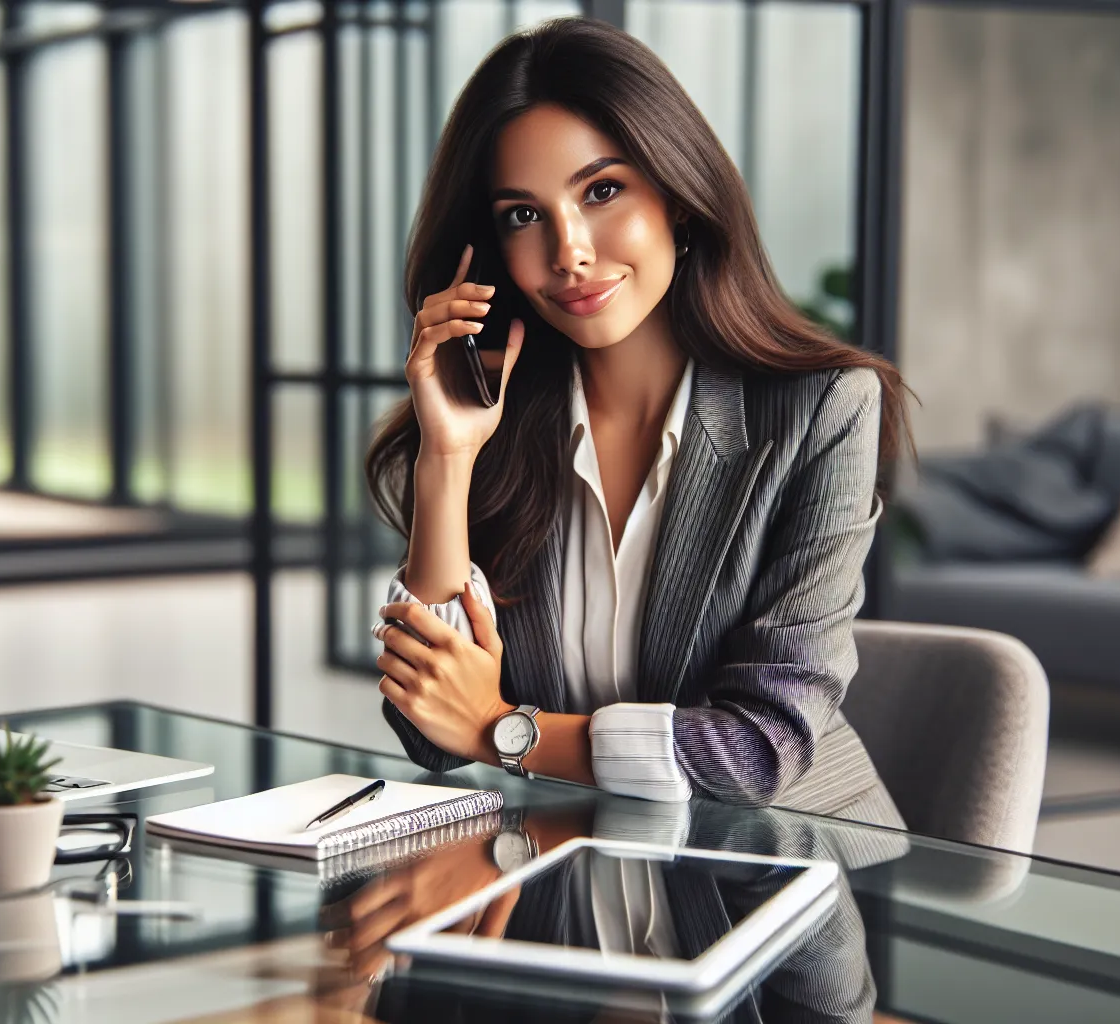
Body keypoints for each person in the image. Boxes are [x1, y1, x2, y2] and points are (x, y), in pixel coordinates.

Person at [365, 17, 913, 816]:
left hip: (784, 863)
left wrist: (503, 730)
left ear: (678, 198)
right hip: (579, 864)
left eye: (602, 191)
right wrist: (447, 457)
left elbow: (757, 749)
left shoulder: (822, 409)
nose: (569, 252)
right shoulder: (503, 421)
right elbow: (428, 729)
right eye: (523, 215)